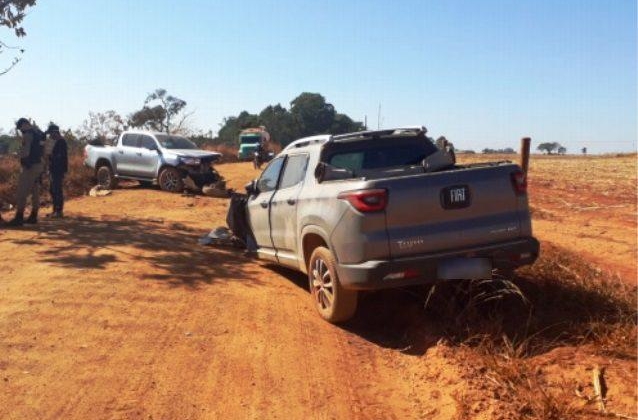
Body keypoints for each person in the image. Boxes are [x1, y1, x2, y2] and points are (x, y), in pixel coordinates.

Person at [6, 118, 45, 226]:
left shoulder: (28, 135)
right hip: (39, 165)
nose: (20, 130)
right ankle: (34, 216)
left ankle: (19, 217)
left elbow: (25, 152)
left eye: (20, 128)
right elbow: (44, 150)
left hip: (29, 167)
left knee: (22, 192)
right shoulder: (40, 133)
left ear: (24, 124)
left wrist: (16, 155)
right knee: (35, 192)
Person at [45, 124, 68, 218]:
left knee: (57, 190)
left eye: (51, 133)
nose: (50, 135)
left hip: (58, 170)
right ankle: (55, 210)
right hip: (52, 169)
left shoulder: (61, 142)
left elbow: (59, 157)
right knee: (52, 190)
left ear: (55, 132)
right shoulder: (53, 142)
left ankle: (59, 211)